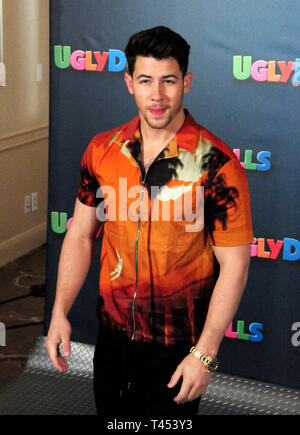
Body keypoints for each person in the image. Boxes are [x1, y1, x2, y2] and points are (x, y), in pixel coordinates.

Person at [45, 26, 253, 416]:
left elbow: (235, 266)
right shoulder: (102, 150)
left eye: (168, 81)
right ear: (129, 83)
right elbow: (80, 236)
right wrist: (59, 312)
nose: (157, 96)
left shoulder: (218, 165)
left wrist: (205, 355)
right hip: (111, 338)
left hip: (178, 346)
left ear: (186, 83)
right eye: (145, 81)